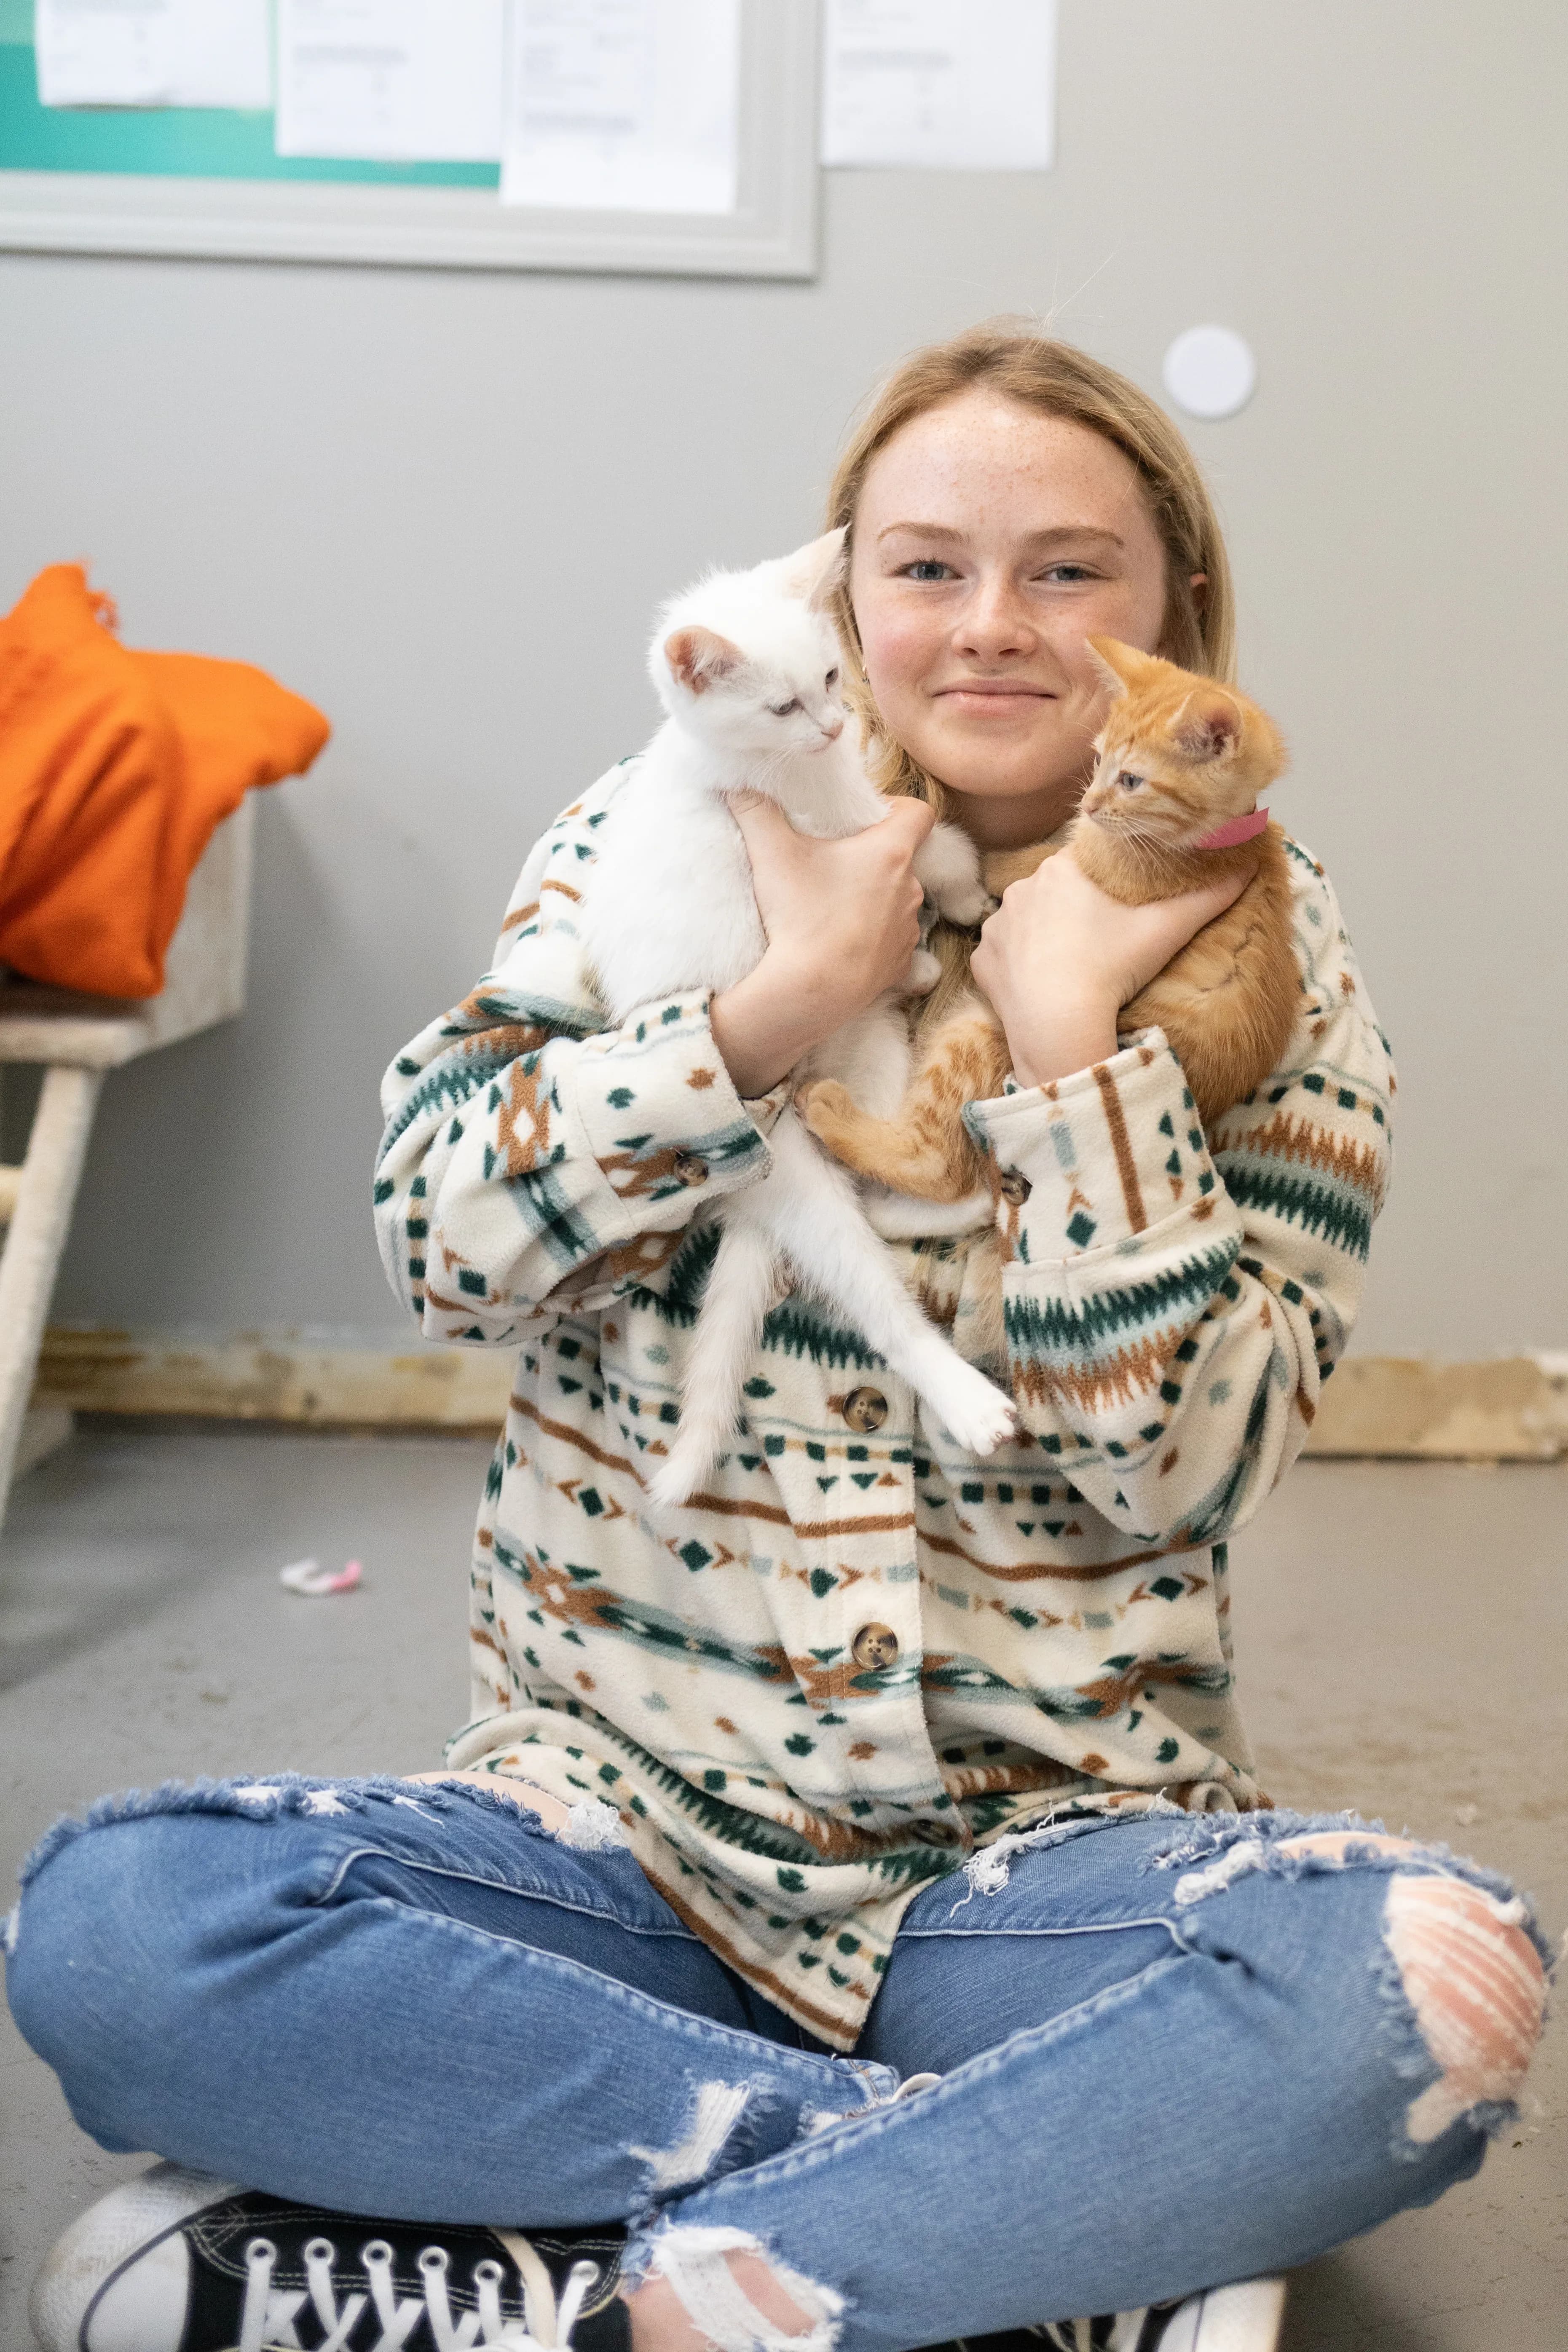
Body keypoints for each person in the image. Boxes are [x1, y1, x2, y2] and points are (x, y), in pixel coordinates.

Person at [6, 327, 1549, 2352]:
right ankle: (1019, 2230)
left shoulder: (1273, 947)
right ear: (842, 590)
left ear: (1169, 612)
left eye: (1067, 571)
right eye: (925, 567)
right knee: (119, 1933)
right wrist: (767, 1015)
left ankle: (594, 2286)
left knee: (1426, 1985)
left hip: (1038, 1873)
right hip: (616, 1847)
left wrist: (1074, 1049)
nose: (989, 625)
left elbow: (1192, 1464)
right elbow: (439, 1247)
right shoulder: (653, 822)